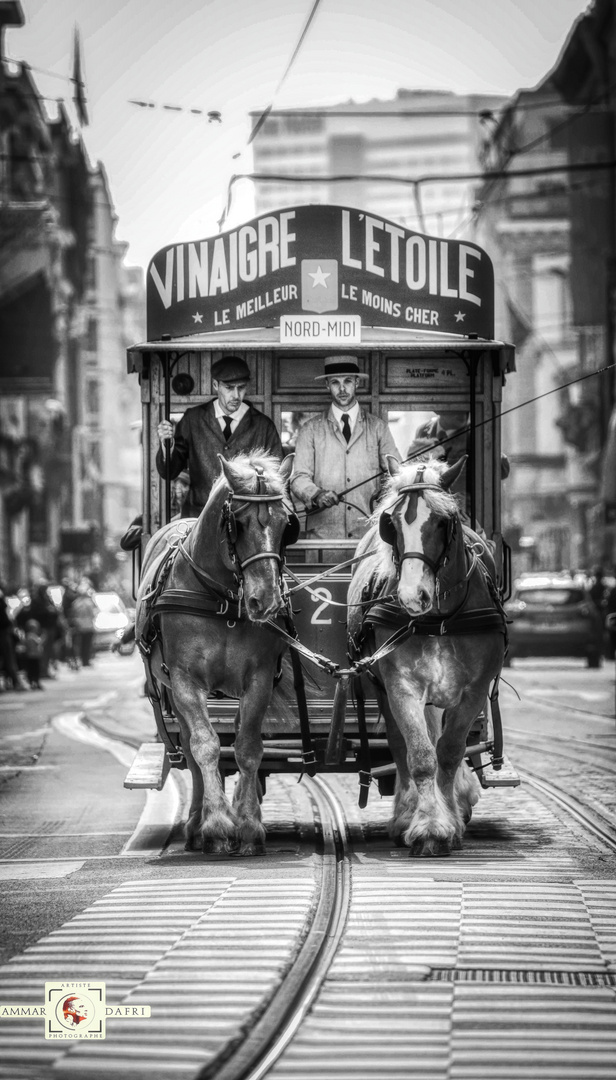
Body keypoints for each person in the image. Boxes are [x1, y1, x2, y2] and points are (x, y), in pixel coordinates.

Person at [156, 356, 283, 516]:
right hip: (198, 518)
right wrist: (167, 446)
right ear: (215, 385)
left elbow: (276, 477)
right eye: (229, 388)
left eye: (241, 387)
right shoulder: (193, 419)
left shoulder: (264, 426)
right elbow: (170, 472)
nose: (236, 395)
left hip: (244, 521)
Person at [290, 355, 399, 539]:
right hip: (322, 538)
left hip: (368, 537)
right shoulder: (310, 430)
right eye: (335, 382)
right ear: (327, 385)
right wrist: (317, 494)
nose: (342, 389)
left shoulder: (378, 428)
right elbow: (298, 478)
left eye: (347, 381)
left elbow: (397, 474)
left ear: (357, 382)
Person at [68, 580, 97, 667]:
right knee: (87, 645)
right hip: (88, 626)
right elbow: (93, 614)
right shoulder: (89, 603)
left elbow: (72, 614)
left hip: (80, 626)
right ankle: (86, 660)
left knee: (80, 645)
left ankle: (82, 660)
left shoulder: (75, 603)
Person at [23, 619, 44, 690]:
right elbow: (39, 642)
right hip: (33, 656)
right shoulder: (31, 636)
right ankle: (35, 682)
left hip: (32, 656)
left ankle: (34, 682)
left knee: (33, 670)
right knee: (35, 670)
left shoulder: (28, 636)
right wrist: (44, 637)